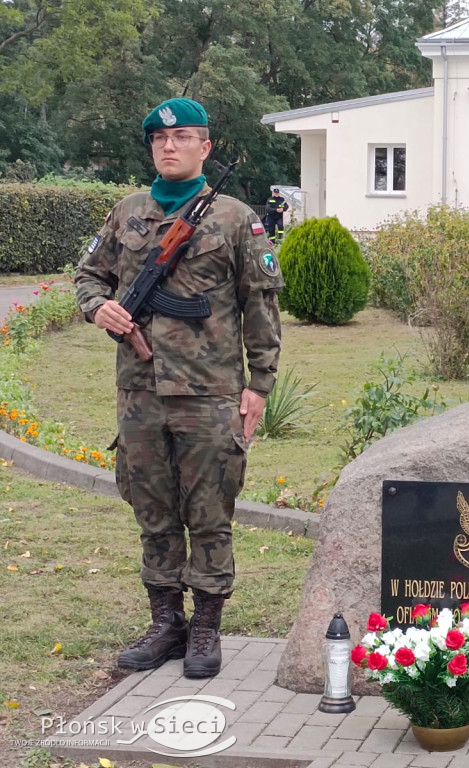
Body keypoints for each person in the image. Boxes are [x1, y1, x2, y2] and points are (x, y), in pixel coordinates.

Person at [75, 97, 284, 679]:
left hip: (212, 395)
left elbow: (260, 307)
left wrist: (258, 386)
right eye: (160, 140)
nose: (169, 147)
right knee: (153, 512)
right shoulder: (127, 212)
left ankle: (207, 628)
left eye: (183, 137)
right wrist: (101, 310)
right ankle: (166, 623)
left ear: (204, 146)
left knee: (211, 513)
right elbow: (88, 275)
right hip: (139, 395)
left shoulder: (237, 219)